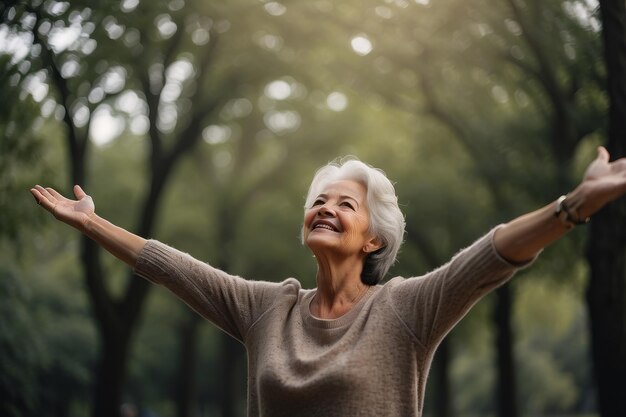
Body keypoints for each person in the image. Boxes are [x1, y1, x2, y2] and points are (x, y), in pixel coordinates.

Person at [31, 147, 626, 416]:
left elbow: (490, 254)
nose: (324, 207)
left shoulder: (405, 311)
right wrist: (92, 224)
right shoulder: (269, 310)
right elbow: (171, 267)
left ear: (374, 239)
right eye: (319, 199)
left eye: (345, 203)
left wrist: (572, 206)